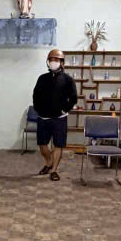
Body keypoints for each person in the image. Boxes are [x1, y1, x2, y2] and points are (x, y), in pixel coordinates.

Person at [32, 48, 77, 181]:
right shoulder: (42, 78)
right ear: (47, 62)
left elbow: (73, 98)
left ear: (62, 62)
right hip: (43, 117)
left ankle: (54, 170)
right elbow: (35, 95)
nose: (53, 62)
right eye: (51, 60)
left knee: (58, 145)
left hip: (59, 119)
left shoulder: (68, 79)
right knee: (42, 145)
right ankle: (49, 162)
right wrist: (37, 109)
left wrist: (64, 110)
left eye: (56, 60)